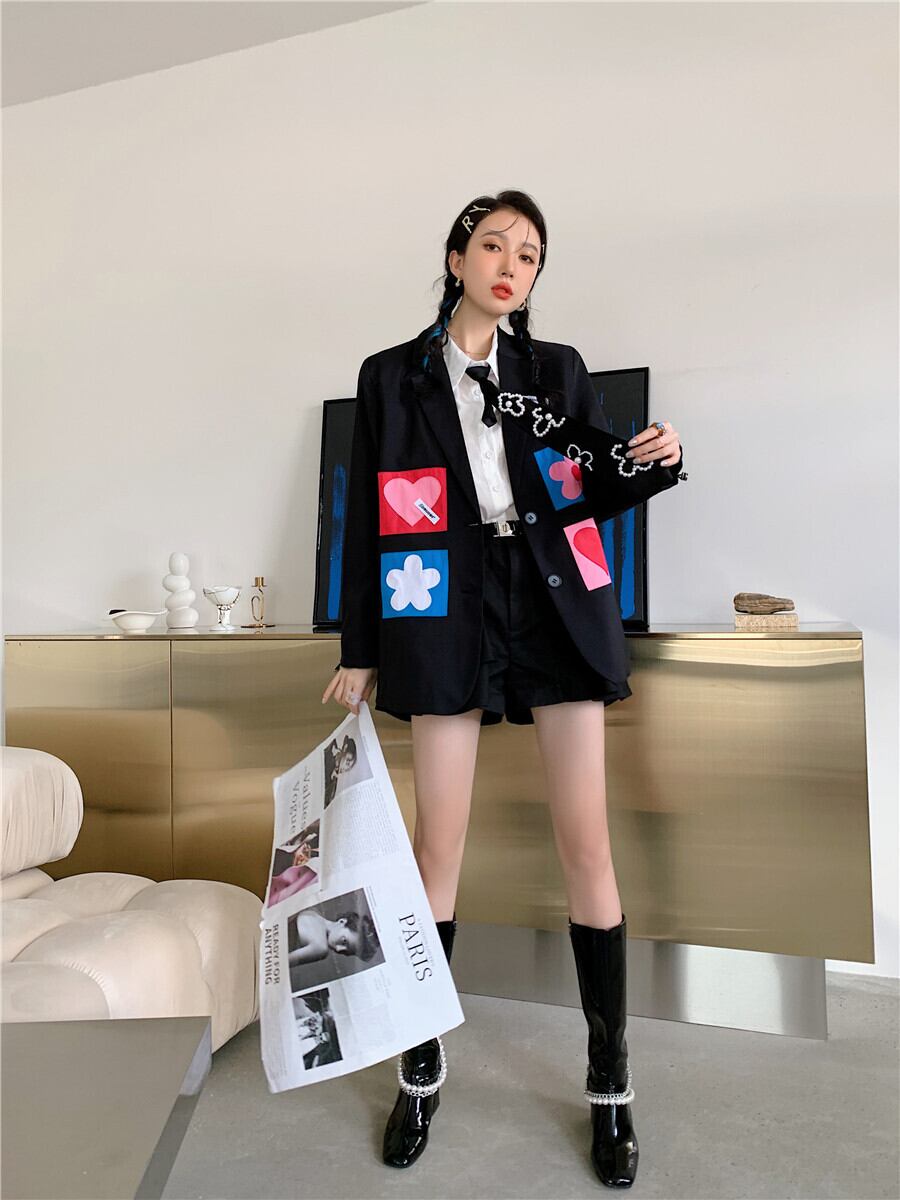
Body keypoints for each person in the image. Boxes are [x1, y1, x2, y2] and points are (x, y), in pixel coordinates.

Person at [321, 190, 685, 1187]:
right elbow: (367, 523)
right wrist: (362, 646)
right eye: (494, 246)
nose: (511, 266)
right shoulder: (391, 377)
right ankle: (421, 1070)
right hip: (442, 601)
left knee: (587, 842)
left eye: (529, 255)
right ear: (456, 257)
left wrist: (654, 463)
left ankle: (609, 1082)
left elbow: (590, 484)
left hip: (555, 597)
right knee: (436, 845)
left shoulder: (553, 371)